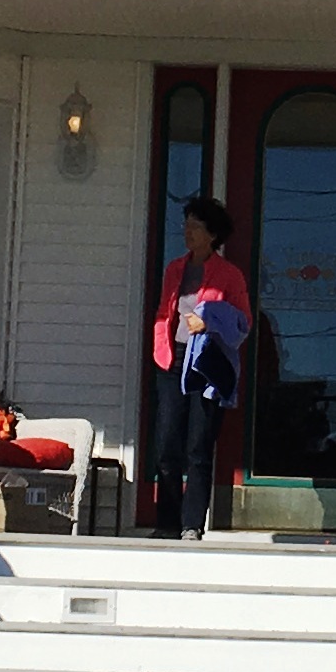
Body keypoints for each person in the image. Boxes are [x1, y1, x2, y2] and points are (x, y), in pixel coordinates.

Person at [143, 194, 247, 538]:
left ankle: (191, 524)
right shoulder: (176, 268)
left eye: (195, 226)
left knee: (198, 447)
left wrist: (211, 326)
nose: (187, 231)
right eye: (185, 223)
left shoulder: (229, 275)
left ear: (213, 235)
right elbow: (164, 311)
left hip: (205, 365)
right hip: (172, 361)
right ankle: (167, 523)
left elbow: (242, 323)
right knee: (167, 444)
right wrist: (161, 346)